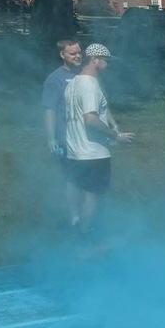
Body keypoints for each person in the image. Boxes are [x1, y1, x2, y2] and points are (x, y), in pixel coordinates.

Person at [64, 43, 133, 237]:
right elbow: (90, 119)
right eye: (105, 60)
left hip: (75, 152)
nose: (107, 64)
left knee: (79, 191)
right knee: (93, 197)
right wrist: (115, 135)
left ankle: (77, 229)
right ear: (94, 60)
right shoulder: (90, 84)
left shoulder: (72, 83)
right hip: (93, 154)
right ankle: (86, 238)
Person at [41, 38, 82, 227]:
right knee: (72, 179)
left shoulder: (84, 75)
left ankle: (87, 213)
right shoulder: (54, 79)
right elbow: (49, 109)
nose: (78, 56)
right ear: (62, 55)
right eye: (73, 53)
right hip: (66, 138)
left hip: (85, 137)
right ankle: (75, 217)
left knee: (87, 177)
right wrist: (51, 139)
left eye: (79, 52)